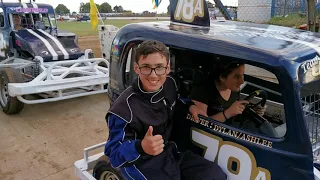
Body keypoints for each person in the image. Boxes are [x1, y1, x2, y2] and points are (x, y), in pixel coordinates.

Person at [104, 40, 226, 180]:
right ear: (137, 68)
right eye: (146, 67)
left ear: (168, 68)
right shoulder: (122, 110)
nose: (153, 75)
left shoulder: (169, 83)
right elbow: (113, 155)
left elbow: (176, 100)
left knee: (215, 175)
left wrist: (189, 106)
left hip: (170, 151)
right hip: (141, 163)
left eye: (159, 67)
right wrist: (140, 146)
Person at [190, 61, 267, 124]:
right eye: (237, 77)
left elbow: (234, 114)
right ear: (222, 78)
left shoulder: (234, 89)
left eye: (242, 75)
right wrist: (227, 113)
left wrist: (252, 110)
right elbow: (200, 123)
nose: (242, 81)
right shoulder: (203, 90)